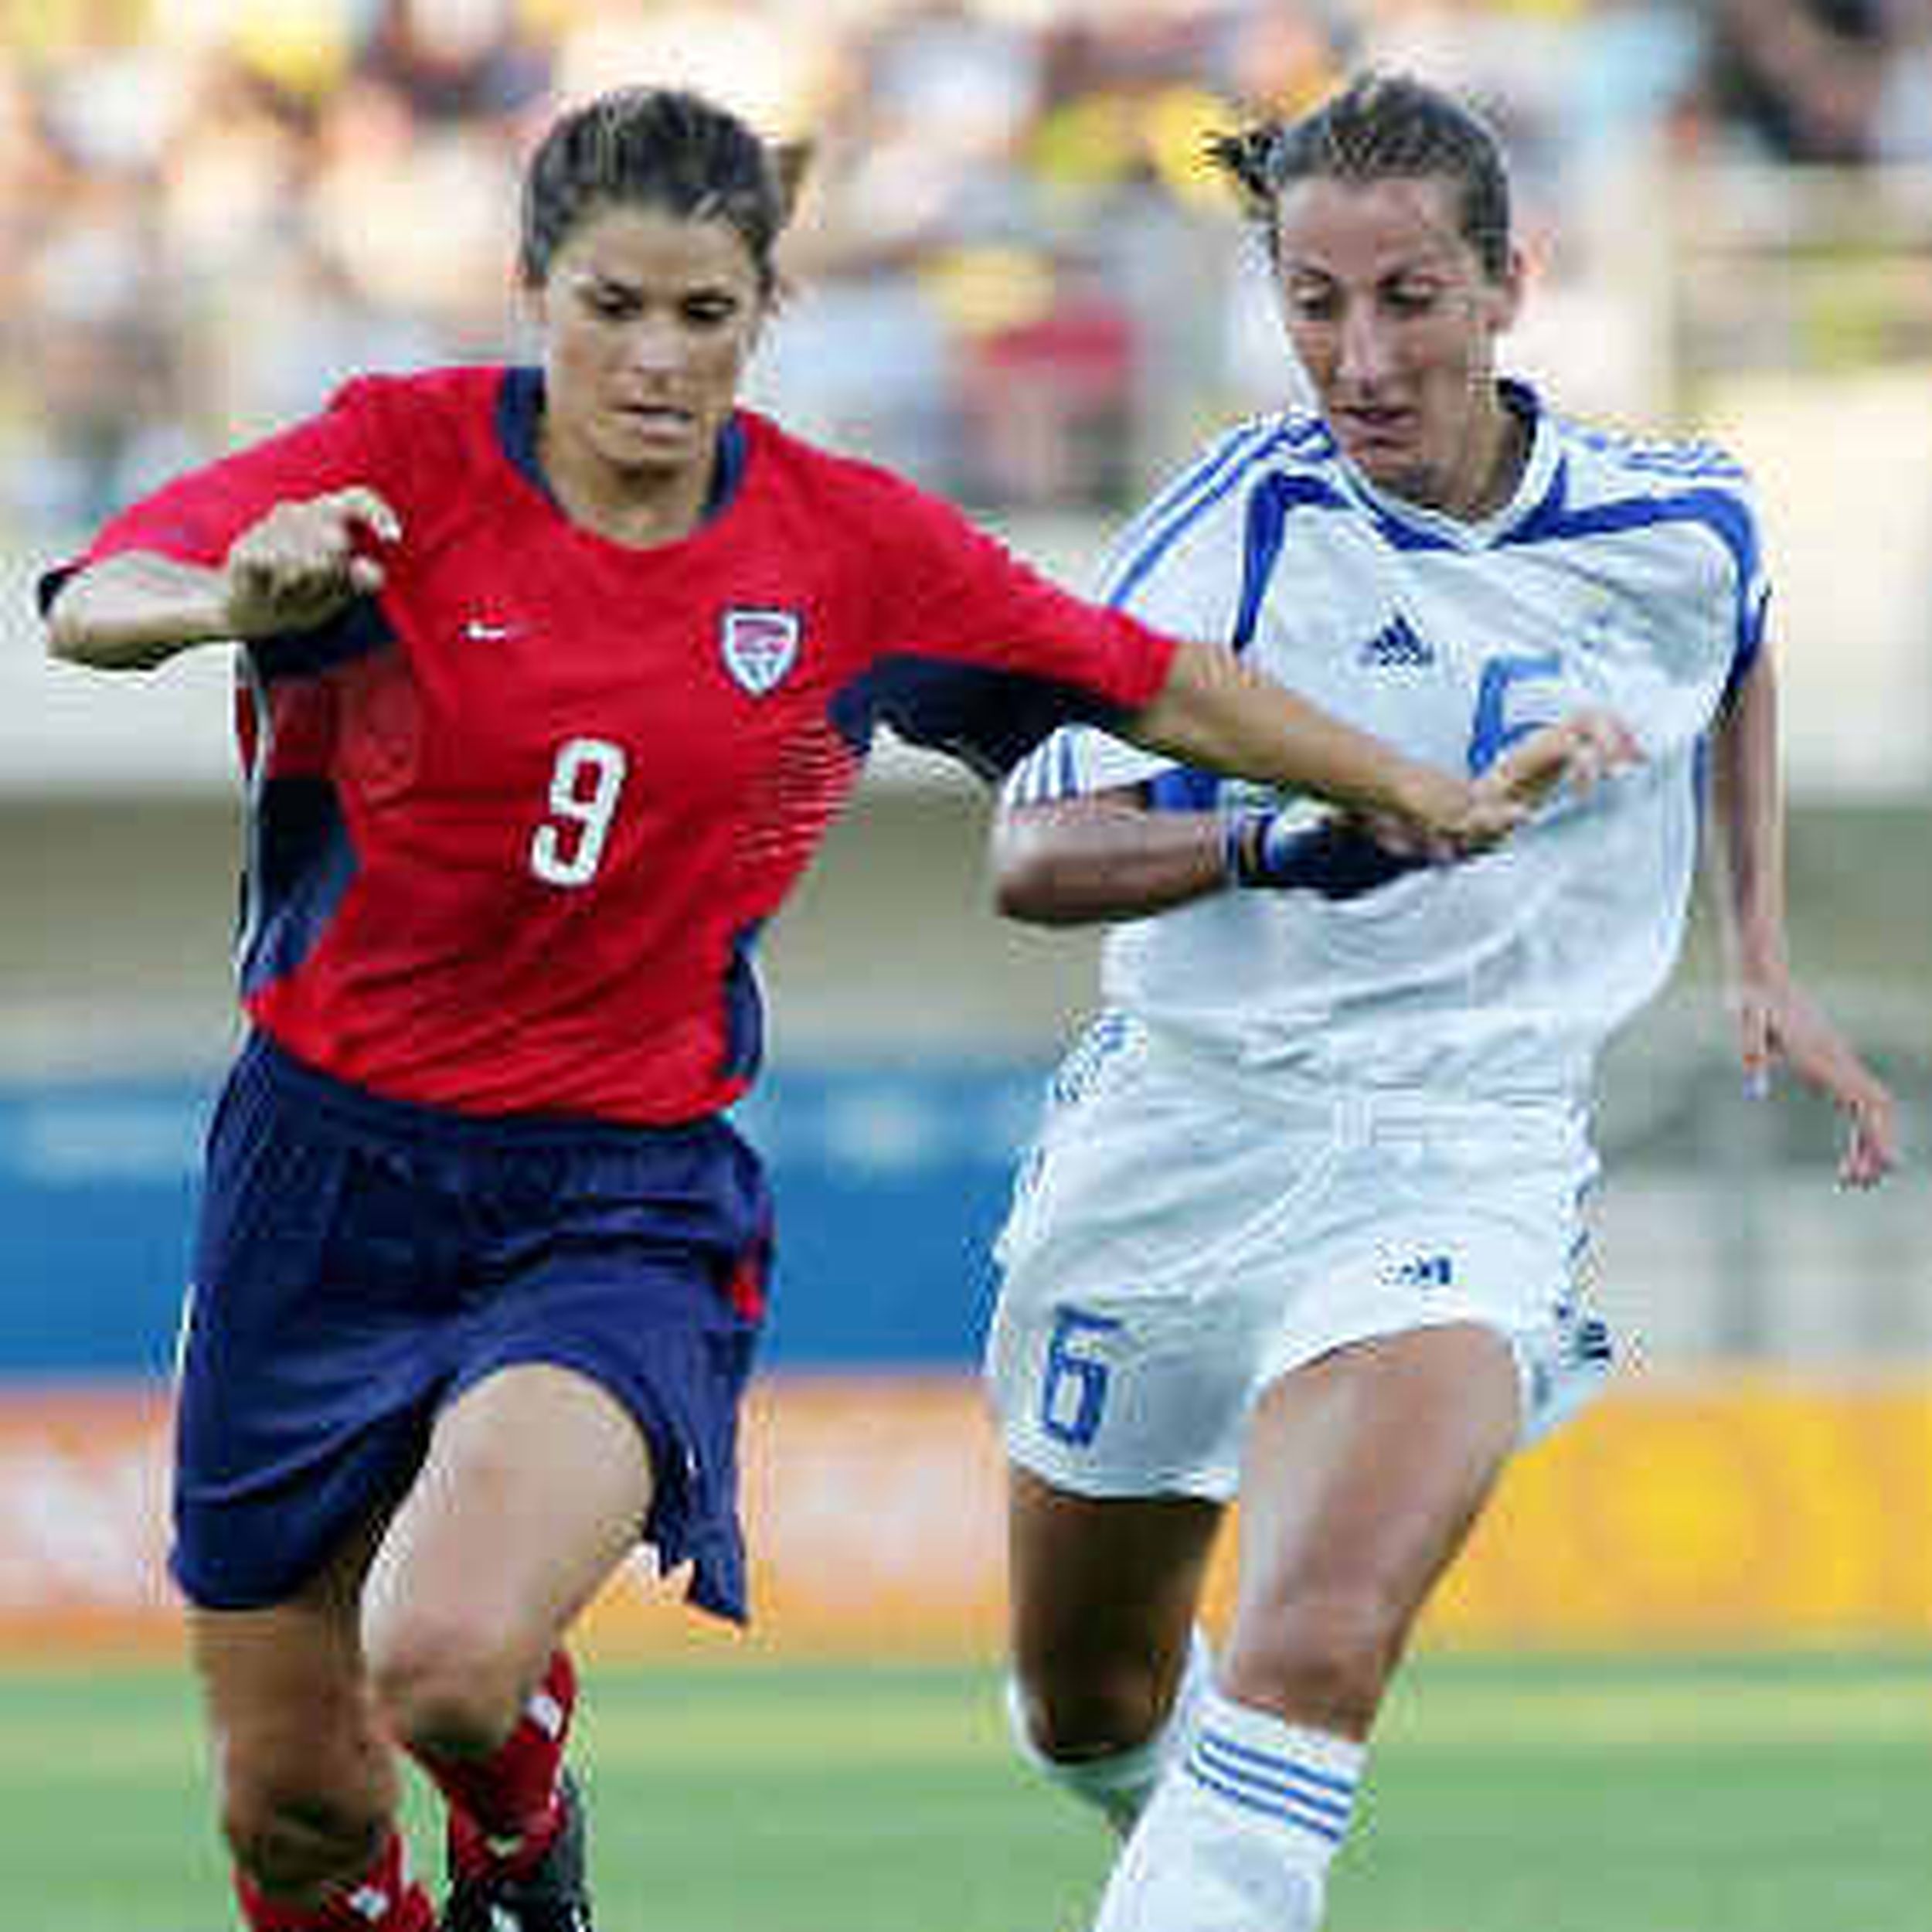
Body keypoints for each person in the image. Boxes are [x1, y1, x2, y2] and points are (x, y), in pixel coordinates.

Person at [36, 83, 1624, 1932]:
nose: (653, 359)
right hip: (318, 1176)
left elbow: (1147, 679)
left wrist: (1402, 788)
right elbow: (93, 596)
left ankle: (520, 1804)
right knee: (294, 1812)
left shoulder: (840, 546)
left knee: (447, 1656)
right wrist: (230, 593)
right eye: (611, 308)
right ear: (530, 290)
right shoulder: (391, 463)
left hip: (613, 1191)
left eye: (702, 317)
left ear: (761, 316)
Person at [982, 70, 1899, 1932]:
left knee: (1313, 1641)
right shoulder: (1226, 536)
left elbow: (1726, 654)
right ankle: (1167, 1834)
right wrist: (1293, 841)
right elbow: (1030, 855)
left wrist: (1759, 951)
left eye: (1405, 298)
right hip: (1185, 1128)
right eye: (1313, 304)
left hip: (1462, 1149)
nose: (1358, 354)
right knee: (1088, 1703)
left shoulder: (1672, 520)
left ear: (1506, 285)